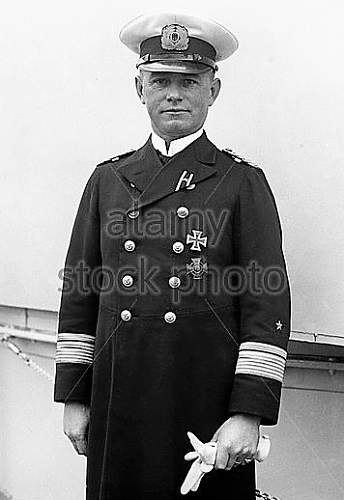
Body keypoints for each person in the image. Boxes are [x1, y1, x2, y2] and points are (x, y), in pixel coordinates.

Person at [54, 13, 291, 500]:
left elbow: (266, 307)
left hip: (202, 401)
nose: (174, 94)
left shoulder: (242, 183)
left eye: (189, 81)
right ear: (139, 89)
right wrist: (75, 397)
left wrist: (247, 414)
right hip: (118, 394)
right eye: (160, 81)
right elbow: (80, 292)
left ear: (213, 91)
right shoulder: (108, 180)